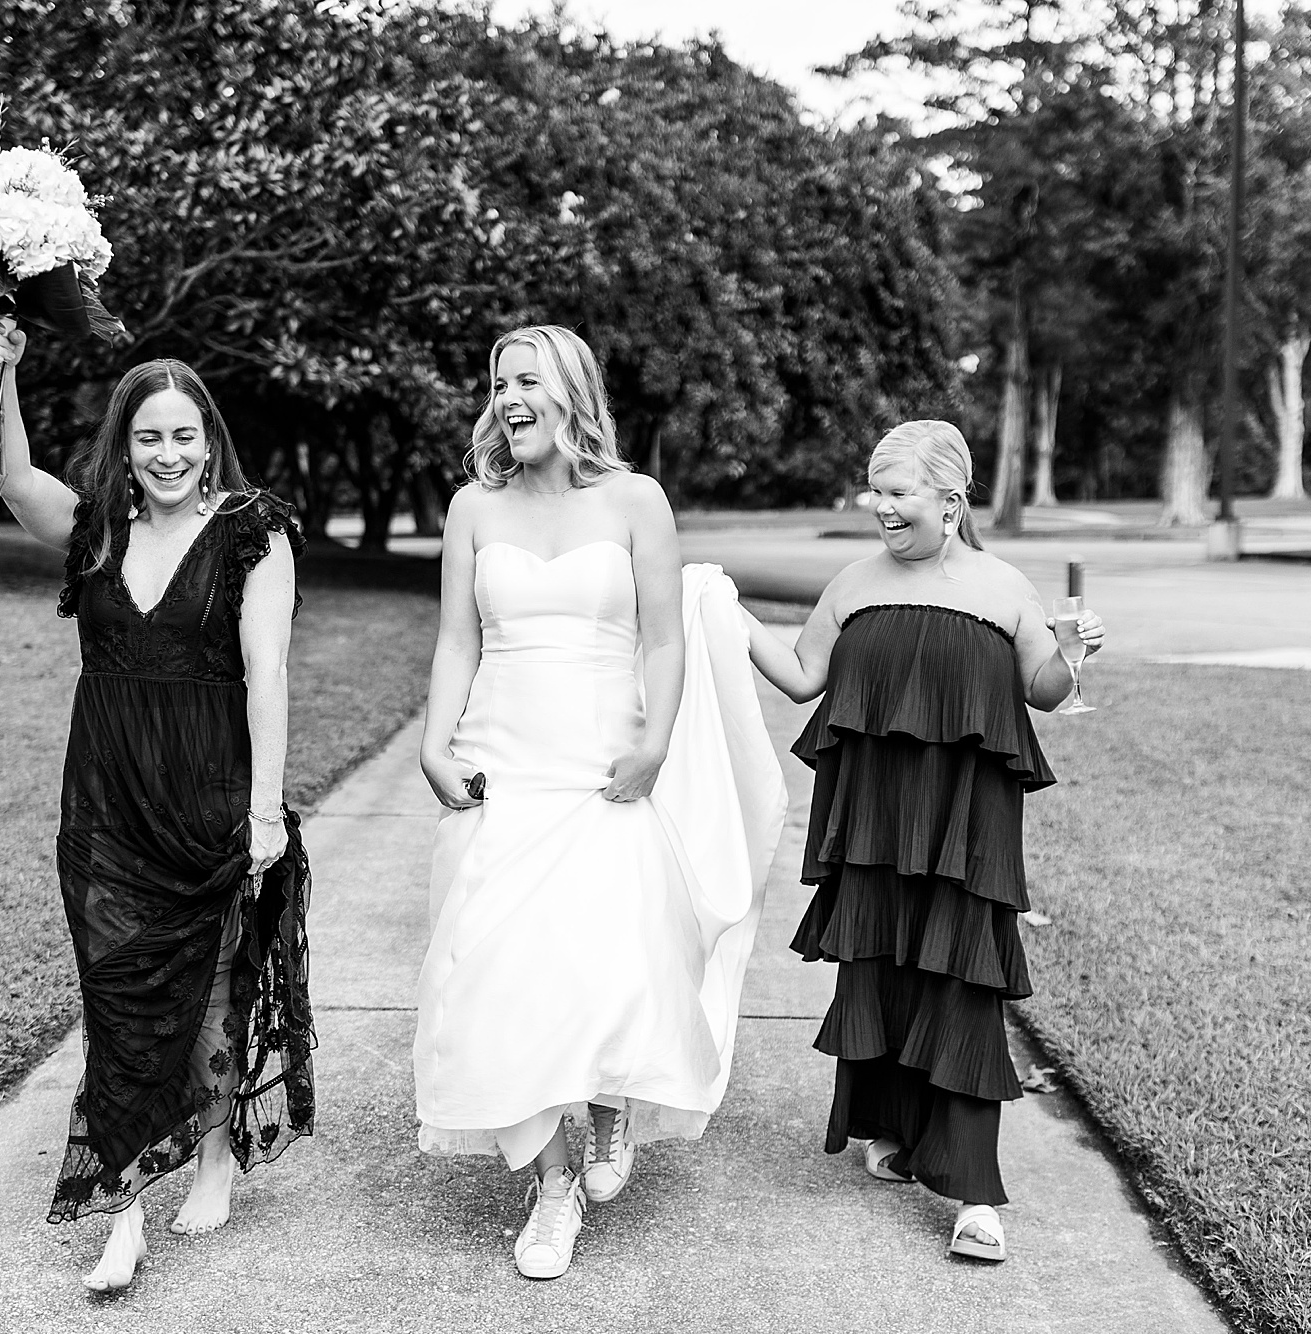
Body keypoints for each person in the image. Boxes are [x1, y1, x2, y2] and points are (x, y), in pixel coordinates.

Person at [415, 325, 782, 1281]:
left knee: (609, 957)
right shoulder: (472, 507)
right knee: (498, 970)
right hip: (504, 764)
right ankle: (551, 1190)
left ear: (572, 393)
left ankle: (611, 1106)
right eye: (499, 383)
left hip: (604, 764)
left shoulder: (635, 500)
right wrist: (433, 742)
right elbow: (458, 641)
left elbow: (663, 639)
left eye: (527, 380)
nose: (509, 398)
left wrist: (656, 743)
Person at [0, 315, 313, 1292]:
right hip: (106, 805)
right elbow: (13, 481)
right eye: (148, 436)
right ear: (124, 443)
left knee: (210, 991)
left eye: (183, 435)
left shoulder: (253, 531)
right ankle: (119, 1210)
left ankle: (213, 1157)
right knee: (115, 999)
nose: (167, 454)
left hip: (209, 794)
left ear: (209, 438)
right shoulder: (98, 529)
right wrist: (3, 372)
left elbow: (269, 673)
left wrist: (264, 812)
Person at [743, 420, 1104, 1265]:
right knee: (884, 964)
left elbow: (1046, 692)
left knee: (963, 982)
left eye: (898, 492)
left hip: (967, 830)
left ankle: (976, 1197)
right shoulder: (852, 583)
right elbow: (801, 678)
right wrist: (722, 613)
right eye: (874, 490)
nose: (880, 506)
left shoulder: (1003, 586)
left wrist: (1071, 653)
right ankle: (897, 1128)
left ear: (950, 501)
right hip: (872, 825)